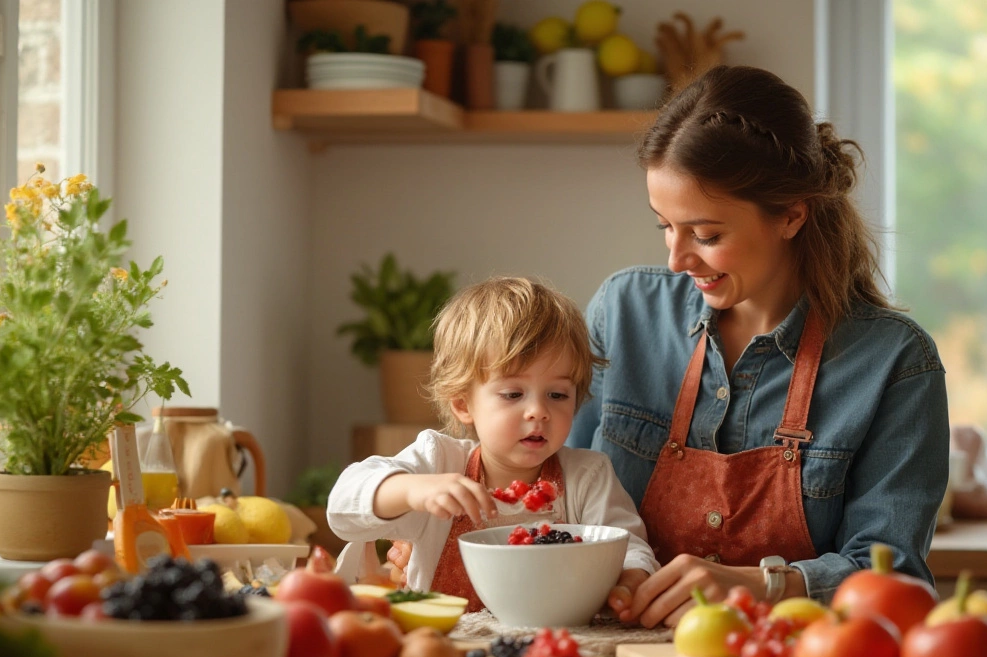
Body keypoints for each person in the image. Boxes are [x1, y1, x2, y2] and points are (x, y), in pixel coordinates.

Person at [567, 65, 950, 627]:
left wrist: (759, 586)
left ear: (792, 214)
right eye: (664, 227)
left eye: (707, 235)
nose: (677, 259)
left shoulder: (895, 363)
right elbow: (551, 492)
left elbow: (894, 580)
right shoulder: (623, 314)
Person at [327, 277, 659, 614]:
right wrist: (412, 490)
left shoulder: (588, 476)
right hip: (446, 648)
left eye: (557, 394)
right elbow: (341, 511)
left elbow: (629, 548)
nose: (539, 412)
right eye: (513, 394)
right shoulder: (439, 462)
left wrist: (630, 579)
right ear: (463, 404)